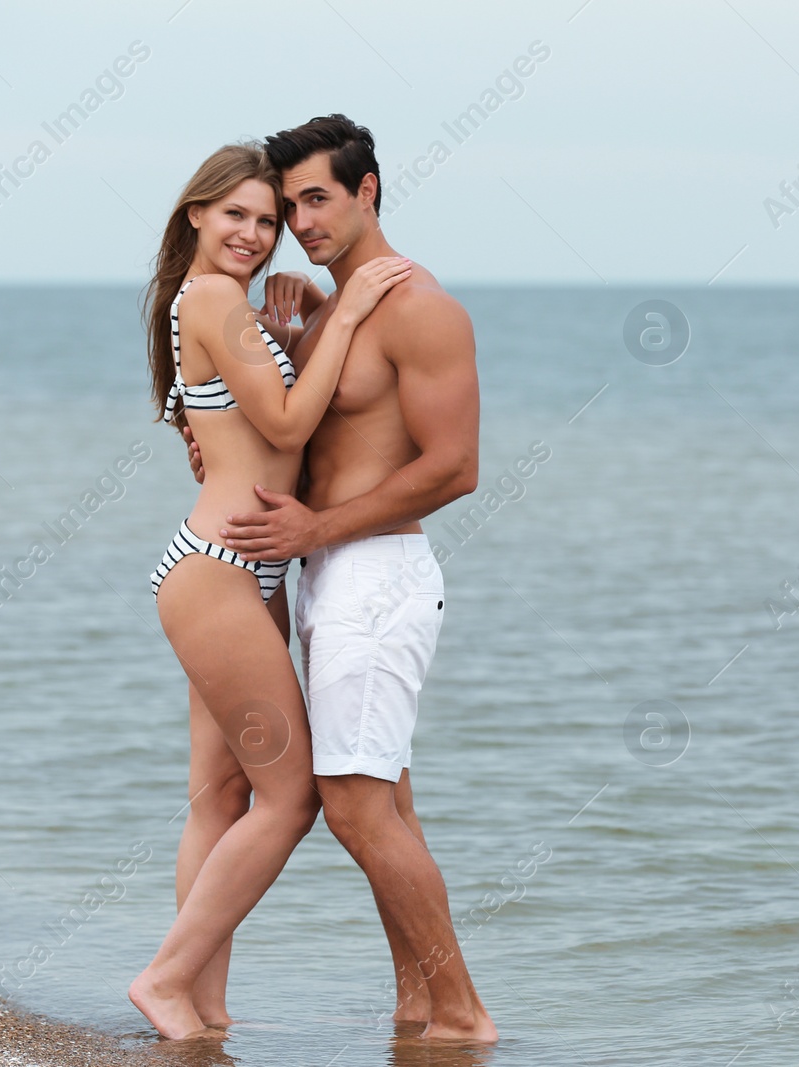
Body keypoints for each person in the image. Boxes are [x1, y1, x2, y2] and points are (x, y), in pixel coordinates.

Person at [213, 114, 496, 1042]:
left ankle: (461, 1014)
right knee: (386, 805)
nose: (300, 221)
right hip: (332, 575)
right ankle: (418, 1009)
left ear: (368, 189)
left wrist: (315, 529)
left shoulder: (420, 307)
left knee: (355, 805)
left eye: (318, 198)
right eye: (290, 205)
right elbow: (319, 434)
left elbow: (455, 466)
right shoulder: (337, 308)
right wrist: (290, 341)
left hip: (376, 574)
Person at [126, 141, 410, 1041]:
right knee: (291, 797)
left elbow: (229, 427)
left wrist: (298, 327)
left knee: (221, 797)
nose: (255, 233)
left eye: (268, 217)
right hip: (220, 572)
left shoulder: (218, 306)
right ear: (195, 216)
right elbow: (289, 420)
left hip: (243, 571)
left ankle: (203, 1005)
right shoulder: (210, 297)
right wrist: (353, 305)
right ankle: (168, 979)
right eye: (236, 214)